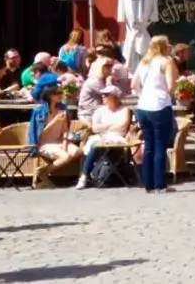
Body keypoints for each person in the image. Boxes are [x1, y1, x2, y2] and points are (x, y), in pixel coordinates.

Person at [132, 36, 178, 192]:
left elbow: (134, 84)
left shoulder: (144, 62)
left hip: (143, 106)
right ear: (163, 46)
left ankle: (148, 183)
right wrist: (165, 95)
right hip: (159, 105)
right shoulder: (166, 61)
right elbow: (171, 86)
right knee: (160, 145)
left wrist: (143, 95)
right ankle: (160, 183)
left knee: (149, 145)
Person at [75, 88, 133, 189]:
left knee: (97, 144)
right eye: (102, 94)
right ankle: (84, 176)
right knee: (94, 144)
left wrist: (104, 126)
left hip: (118, 137)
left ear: (114, 97)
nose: (103, 97)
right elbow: (94, 128)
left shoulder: (124, 110)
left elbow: (123, 127)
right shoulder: (99, 111)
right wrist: (113, 125)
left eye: (106, 95)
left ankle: (85, 176)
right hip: (101, 136)